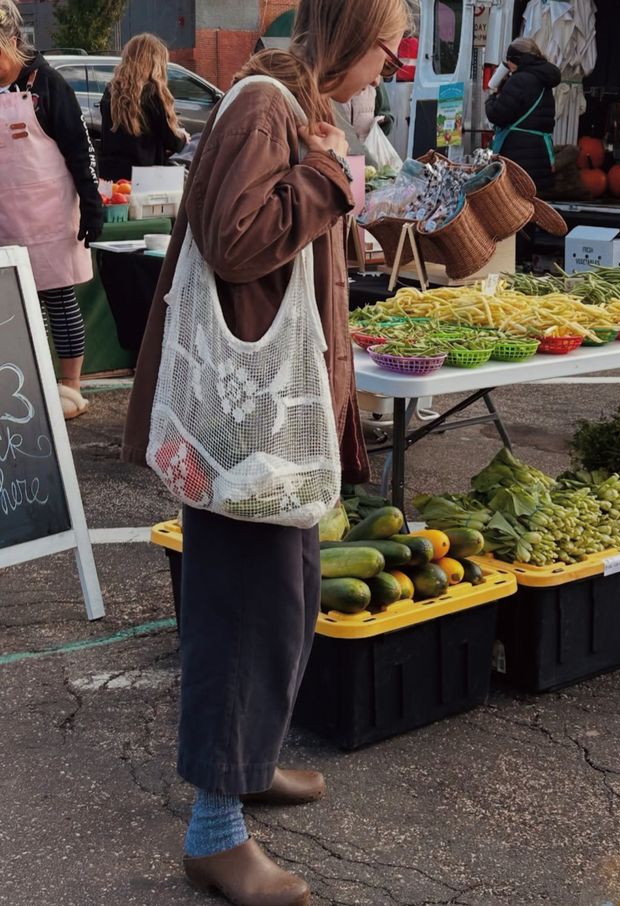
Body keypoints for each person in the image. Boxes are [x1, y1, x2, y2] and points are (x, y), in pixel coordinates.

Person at [122, 1, 409, 903]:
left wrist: (340, 196)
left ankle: (247, 765)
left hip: (273, 423)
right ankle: (214, 829)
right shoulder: (261, 106)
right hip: (243, 426)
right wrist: (326, 175)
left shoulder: (297, 111)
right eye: (388, 56)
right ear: (351, 40)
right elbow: (236, 240)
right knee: (242, 618)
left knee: (281, 606)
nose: (388, 73)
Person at [0, 0, 103, 419]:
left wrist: (91, 202)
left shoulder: (48, 84)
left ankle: (70, 388)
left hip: (51, 215)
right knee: (18, 307)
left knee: (58, 300)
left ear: (10, 41)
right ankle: (31, 382)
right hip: (7, 215)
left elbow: (82, 150)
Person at [99, 33, 189, 181]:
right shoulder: (152, 92)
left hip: (111, 176)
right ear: (154, 63)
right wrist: (183, 138)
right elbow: (171, 141)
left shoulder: (111, 91)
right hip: (145, 178)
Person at [485, 37, 560, 192]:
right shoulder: (543, 79)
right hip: (541, 154)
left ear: (517, 60)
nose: (508, 65)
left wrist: (491, 97)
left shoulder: (519, 80)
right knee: (535, 204)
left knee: (516, 207)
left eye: (508, 61)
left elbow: (498, 115)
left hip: (519, 157)